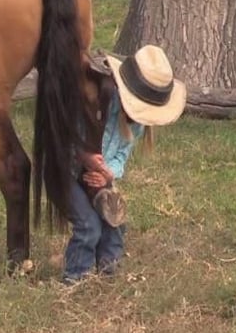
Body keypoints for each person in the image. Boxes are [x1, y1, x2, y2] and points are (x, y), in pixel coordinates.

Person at [63, 44, 187, 285]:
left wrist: (107, 174)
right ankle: (75, 279)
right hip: (67, 172)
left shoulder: (137, 123)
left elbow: (121, 155)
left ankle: (109, 273)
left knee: (114, 219)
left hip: (98, 177)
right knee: (89, 227)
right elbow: (66, 136)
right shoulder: (96, 100)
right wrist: (84, 157)